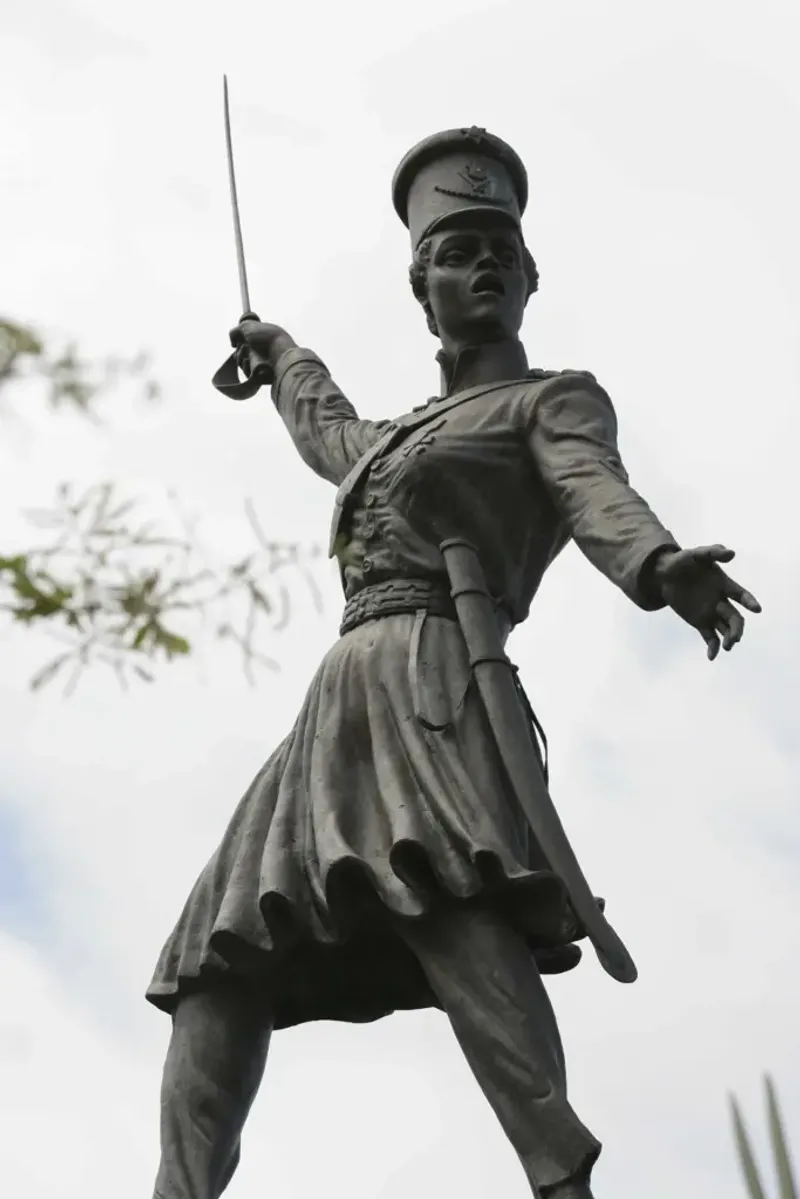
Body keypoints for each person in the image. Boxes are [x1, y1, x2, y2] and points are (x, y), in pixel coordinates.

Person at [147, 127, 760, 1199]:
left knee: (458, 918)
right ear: (419, 284)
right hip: (335, 699)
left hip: (438, 680)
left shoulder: (547, 400)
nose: (477, 267)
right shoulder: (396, 437)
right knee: (218, 957)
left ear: (526, 279)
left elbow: (592, 488)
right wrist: (282, 353)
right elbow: (332, 435)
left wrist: (660, 565)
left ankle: (558, 1174)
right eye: (455, 251)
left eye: (497, 253)